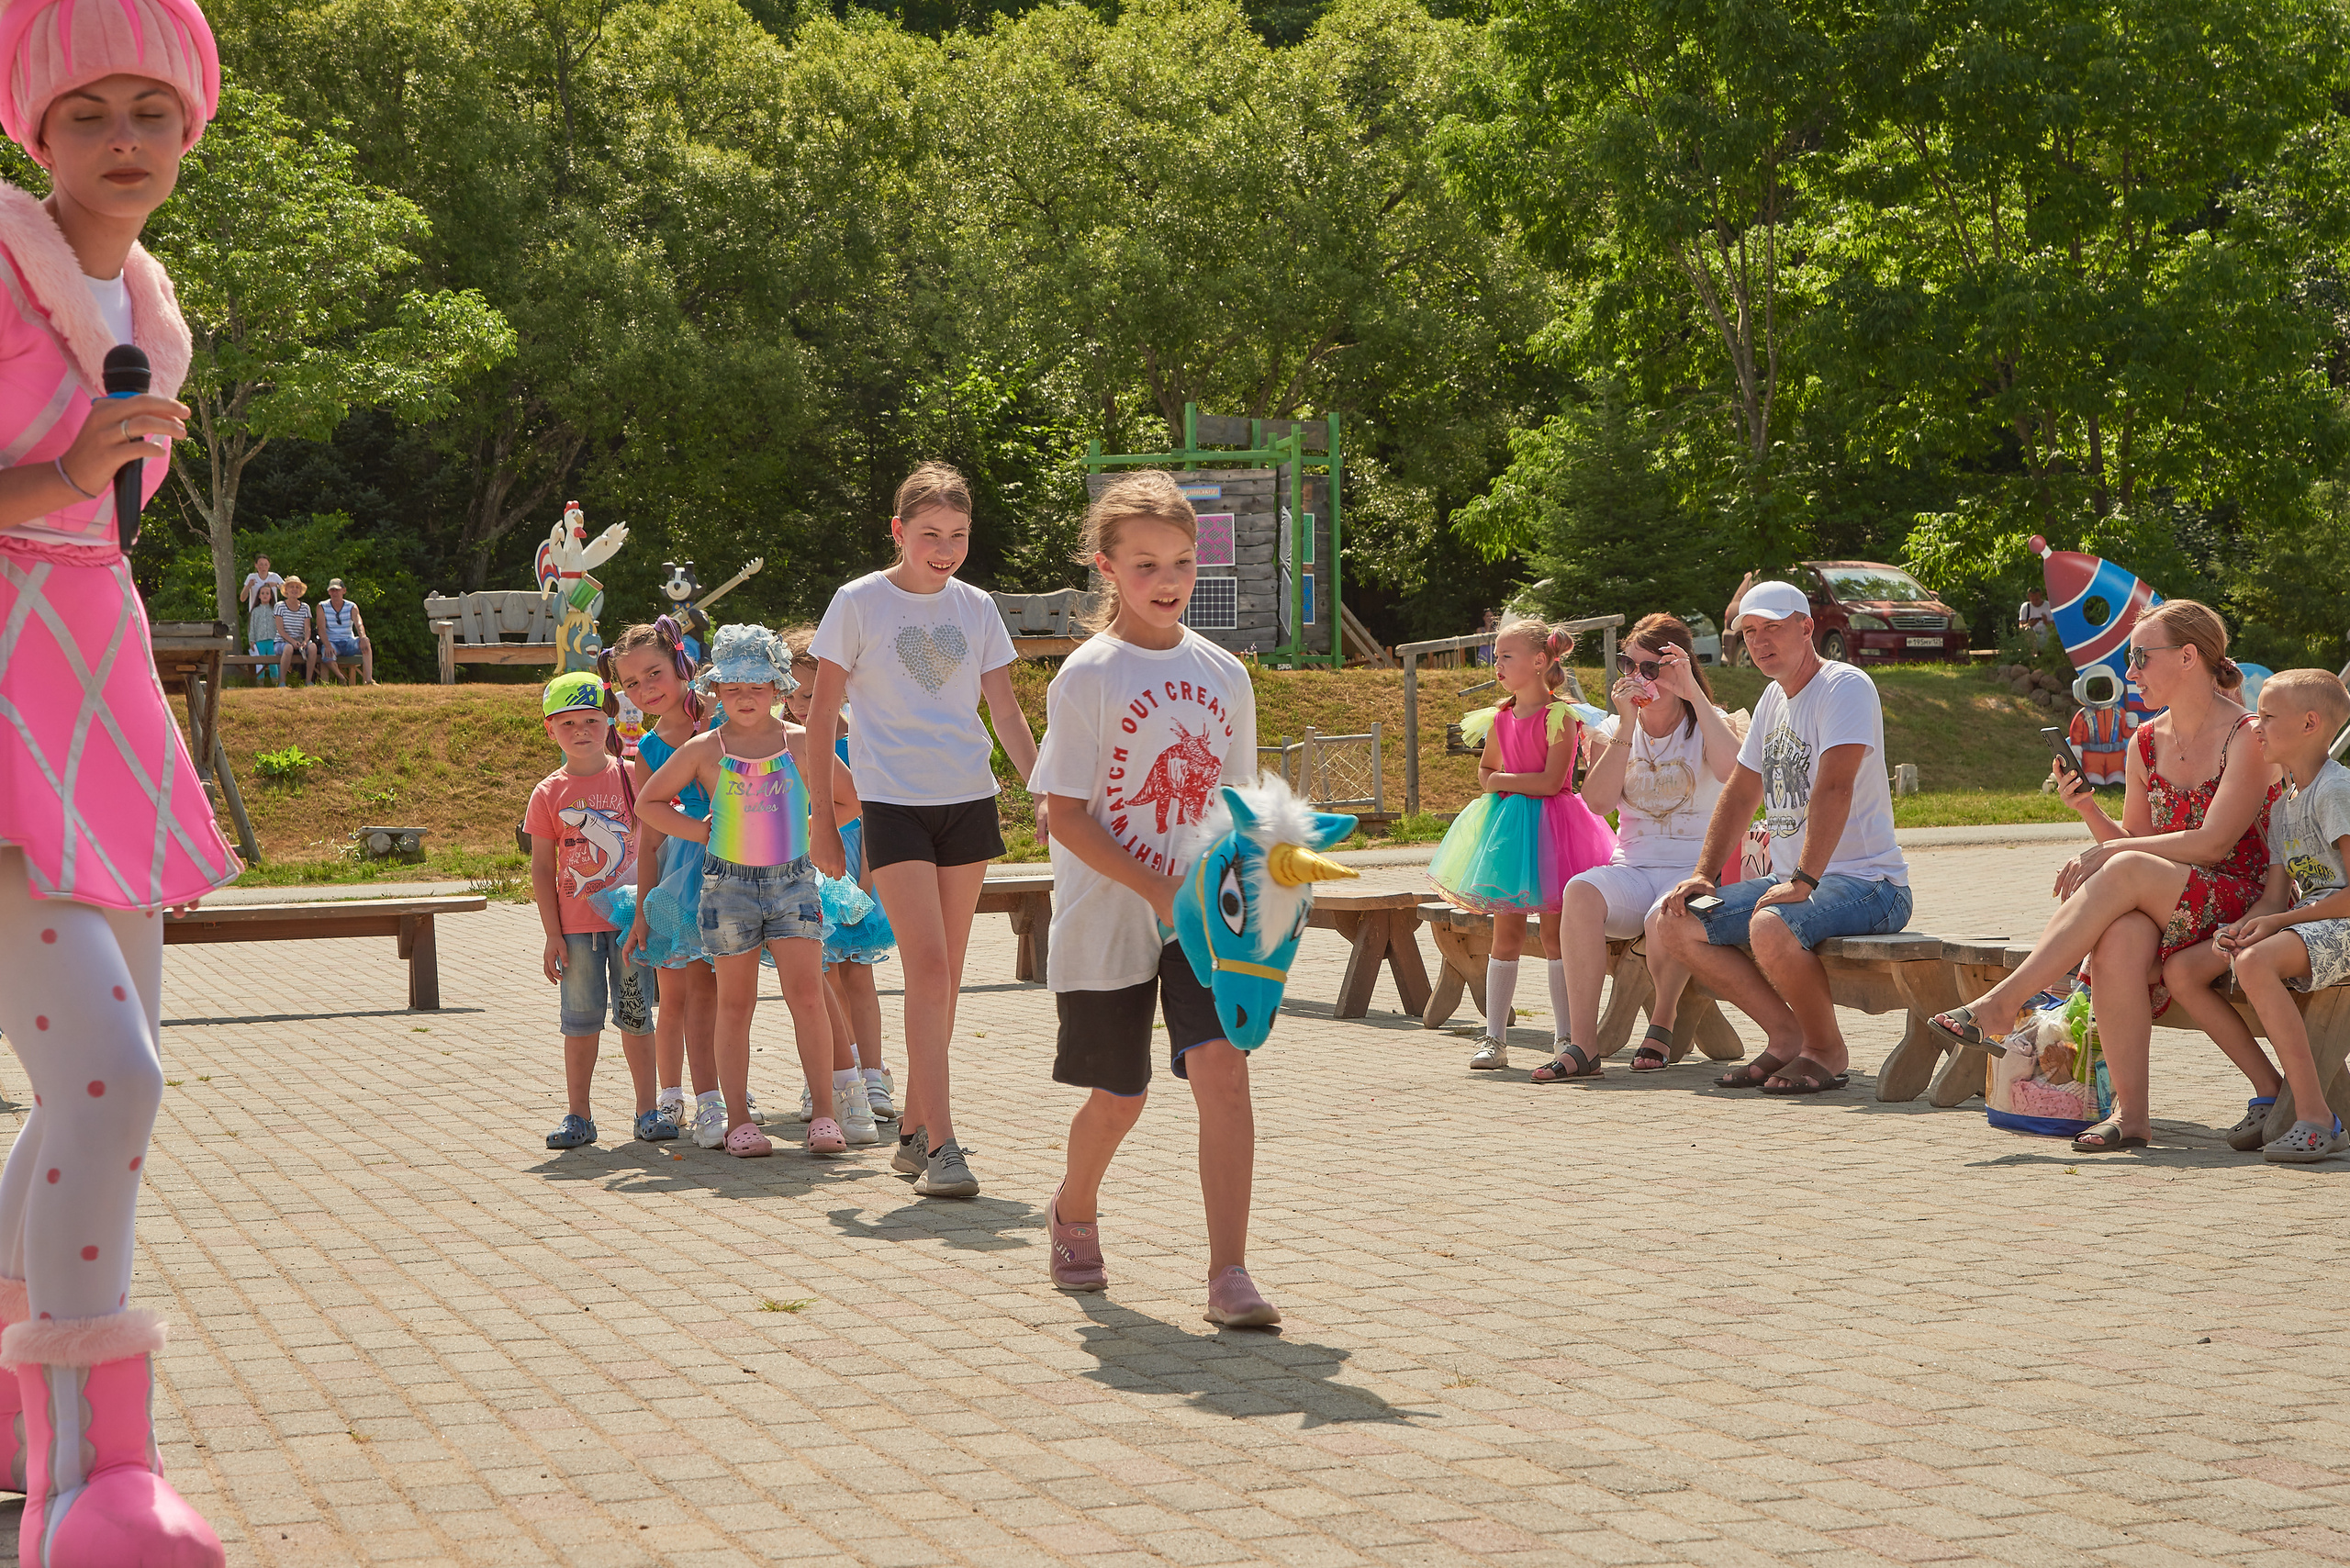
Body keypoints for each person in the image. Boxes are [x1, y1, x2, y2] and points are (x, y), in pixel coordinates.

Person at [0, 4, 241, 1558]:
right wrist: (74, 466)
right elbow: (61, 488)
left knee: (91, 1091)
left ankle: (27, 1420)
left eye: (155, 104)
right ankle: (93, 1476)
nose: (126, 137)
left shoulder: (152, 294)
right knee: (112, 1073)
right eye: (88, 109)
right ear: (34, 128)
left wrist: (90, 491)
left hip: (99, 692)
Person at [1029, 471, 1282, 1325]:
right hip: (1107, 917)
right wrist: (1158, 887)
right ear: (1107, 567)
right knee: (1120, 1096)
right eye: (1145, 565)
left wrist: (1253, 896)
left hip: (1205, 921)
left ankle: (1230, 1275)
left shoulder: (1225, 676)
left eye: (1180, 562)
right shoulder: (1086, 676)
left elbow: (1239, 806)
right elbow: (1060, 815)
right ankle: (1073, 1207)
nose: (1167, 581)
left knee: (1224, 1073)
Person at [1926, 599, 2277, 1151]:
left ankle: (2004, 1000)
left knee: (2128, 868)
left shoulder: (2248, 736)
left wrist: (2111, 855)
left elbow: (2213, 845)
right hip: (2171, 902)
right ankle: (2130, 1115)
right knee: (2119, 936)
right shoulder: (2144, 742)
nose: (2130, 672)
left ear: (2189, 657)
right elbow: (2128, 847)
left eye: (2139, 657)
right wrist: (2090, 813)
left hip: (2249, 899)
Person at [804, 461, 1046, 1199]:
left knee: (943, 985)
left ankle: (912, 1128)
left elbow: (1004, 711)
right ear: (899, 532)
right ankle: (943, 1144)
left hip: (968, 800)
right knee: (929, 972)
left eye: (959, 535)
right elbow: (818, 717)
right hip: (892, 805)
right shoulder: (859, 603)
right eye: (930, 534)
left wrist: (1044, 789)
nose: (945, 548)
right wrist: (822, 819)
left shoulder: (976, 608)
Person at [1651, 580, 1913, 1094]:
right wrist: (1704, 875)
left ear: (1807, 626)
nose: (1760, 641)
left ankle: (1826, 1051)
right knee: (1676, 920)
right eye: (1750, 632)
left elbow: (1835, 787)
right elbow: (1742, 790)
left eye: (1772, 627)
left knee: (1771, 926)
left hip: (1872, 884)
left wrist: (1803, 879)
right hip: (1797, 882)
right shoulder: (1773, 697)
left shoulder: (1846, 686)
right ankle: (1786, 1036)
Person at [640, 625, 845, 1159]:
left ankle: (824, 1114)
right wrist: (701, 830)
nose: (745, 697)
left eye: (757, 686)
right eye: (732, 689)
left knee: (807, 996)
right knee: (736, 1004)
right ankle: (738, 1120)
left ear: (778, 688)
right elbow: (649, 803)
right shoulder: (704, 749)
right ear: (716, 691)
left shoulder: (801, 743)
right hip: (727, 889)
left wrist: (807, 826)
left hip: (794, 882)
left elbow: (849, 801)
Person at [2161, 668, 2350, 1162]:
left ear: (2310, 723)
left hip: (2342, 925)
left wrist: (2279, 925)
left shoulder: (2334, 792)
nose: (2256, 726)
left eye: (2267, 716)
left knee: (2254, 963)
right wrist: (2247, 925)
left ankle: (2317, 1116)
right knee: (2182, 970)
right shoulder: (2283, 807)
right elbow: (2273, 897)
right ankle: (2270, 1094)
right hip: (2311, 924)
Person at [1426, 618, 1617, 1075]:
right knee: (1505, 934)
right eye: (1496, 656)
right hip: (1508, 836)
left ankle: (1567, 1037)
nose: (1497, 664)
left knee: (1555, 936)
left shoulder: (1561, 716)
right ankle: (1495, 1038)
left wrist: (1505, 783)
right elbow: (1484, 773)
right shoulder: (1500, 717)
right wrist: (1503, 783)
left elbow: (1553, 783)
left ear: (1538, 661)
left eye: (1506, 656)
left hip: (1557, 834)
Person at [1556, 613, 1740, 1075]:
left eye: (1650, 668)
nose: (1636, 678)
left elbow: (1731, 772)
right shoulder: (1616, 730)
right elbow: (1597, 803)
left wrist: (1693, 693)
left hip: (1694, 870)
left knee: (1667, 912)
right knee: (1578, 892)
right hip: (1634, 868)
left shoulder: (1709, 722)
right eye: (1627, 665)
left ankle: (1662, 1020)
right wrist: (1625, 723)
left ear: (1678, 668)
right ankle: (1583, 1047)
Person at [524, 671, 658, 1150]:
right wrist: (551, 933)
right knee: (580, 1024)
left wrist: (646, 913)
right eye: (568, 723)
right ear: (550, 729)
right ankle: (579, 1115)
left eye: (591, 720)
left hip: (628, 927)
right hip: (575, 930)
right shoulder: (547, 794)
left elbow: (657, 841)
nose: (581, 730)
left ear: (610, 723)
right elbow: (542, 868)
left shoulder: (633, 774)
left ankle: (649, 1109)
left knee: (636, 1018)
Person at [604, 618, 722, 1146]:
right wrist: (647, 909)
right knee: (676, 989)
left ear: (680, 664)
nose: (645, 688)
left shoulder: (721, 722)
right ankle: (675, 1096)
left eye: (654, 673)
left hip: (741, 864)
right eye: (631, 684)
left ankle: (720, 1092)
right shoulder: (647, 751)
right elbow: (647, 838)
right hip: (682, 873)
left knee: (722, 992)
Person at [785, 641, 897, 1133]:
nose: (803, 705)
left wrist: (872, 877)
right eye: (794, 694)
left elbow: (873, 815)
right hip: (806, 870)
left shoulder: (861, 739)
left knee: (858, 975)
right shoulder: (786, 743)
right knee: (820, 975)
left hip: (854, 865)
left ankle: (873, 1075)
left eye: (813, 694)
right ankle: (831, 1072)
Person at [316, 577, 373, 685]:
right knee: (326, 655)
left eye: (337, 590)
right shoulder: (322, 606)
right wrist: (327, 644)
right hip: (332, 642)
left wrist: (363, 637)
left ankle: (369, 680)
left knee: (366, 644)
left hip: (348, 641)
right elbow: (321, 628)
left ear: (344, 591)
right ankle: (341, 677)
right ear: (328, 592)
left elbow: (359, 623)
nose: (334, 593)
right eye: (332, 590)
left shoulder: (351, 606)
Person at [274, 574, 318, 685]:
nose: (294, 589)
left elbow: (307, 629)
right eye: (291, 586)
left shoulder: (305, 607)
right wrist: (292, 642)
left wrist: (305, 642)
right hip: (282, 642)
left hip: (300, 642)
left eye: (297, 587)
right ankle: (282, 682)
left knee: (313, 647)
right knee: (288, 648)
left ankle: (308, 681)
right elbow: (280, 630)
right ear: (286, 589)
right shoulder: (279, 606)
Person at [242, 556, 279, 683]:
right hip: (259, 639)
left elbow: (287, 591)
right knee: (260, 661)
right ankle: (260, 681)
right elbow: (251, 626)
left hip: (272, 639)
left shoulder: (275, 610)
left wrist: (277, 585)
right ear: (256, 565)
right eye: (261, 564)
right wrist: (252, 640)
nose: (263, 567)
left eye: (266, 564)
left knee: (273, 661)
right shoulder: (255, 611)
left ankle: (276, 681)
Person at [2019, 585, 2054, 652]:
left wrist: (2046, 622)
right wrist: (2029, 624)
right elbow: (2020, 627)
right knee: (2028, 631)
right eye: (2033, 599)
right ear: (2029, 597)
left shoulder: (2049, 606)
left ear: (2040, 596)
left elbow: (2055, 627)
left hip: (2046, 636)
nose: (2035, 602)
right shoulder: (2026, 607)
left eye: (2037, 599)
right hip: (2032, 638)